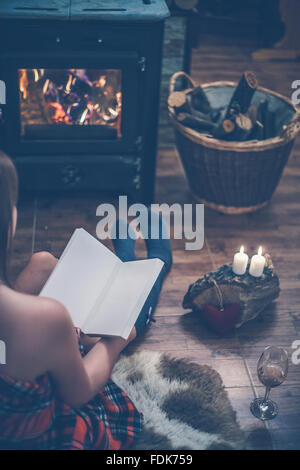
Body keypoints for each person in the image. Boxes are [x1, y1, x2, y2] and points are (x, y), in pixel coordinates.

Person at [0, 151, 172, 450]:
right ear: (9, 221)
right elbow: (77, 393)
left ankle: (125, 255)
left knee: (43, 263)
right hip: (49, 429)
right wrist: (117, 341)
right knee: (128, 313)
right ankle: (155, 259)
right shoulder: (45, 318)